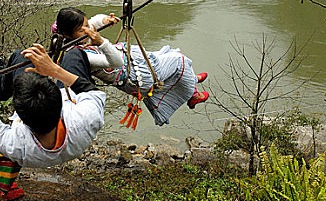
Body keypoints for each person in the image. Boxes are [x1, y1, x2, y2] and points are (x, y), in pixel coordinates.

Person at [0, 43, 105, 201]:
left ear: (19, 118)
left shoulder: (16, 145)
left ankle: (2, 87)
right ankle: (9, 79)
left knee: (22, 57)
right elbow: (92, 92)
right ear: (61, 101)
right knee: (74, 54)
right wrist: (55, 70)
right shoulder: (86, 118)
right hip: (72, 131)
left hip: (36, 137)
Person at [53, 7, 209, 126]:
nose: (88, 30)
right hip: (136, 77)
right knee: (179, 60)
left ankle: (192, 80)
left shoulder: (81, 33)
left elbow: (95, 21)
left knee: (165, 55)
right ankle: (192, 95)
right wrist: (101, 42)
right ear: (67, 35)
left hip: (134, 62)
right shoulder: (81, 56)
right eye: (82, 30)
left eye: (87, 24)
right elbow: (115, 63)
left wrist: (105, 20)